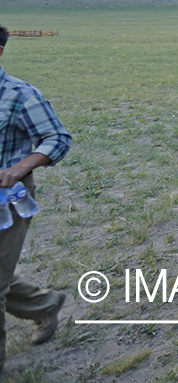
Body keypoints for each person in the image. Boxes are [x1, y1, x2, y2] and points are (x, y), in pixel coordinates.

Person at [0, 25, 70, 373]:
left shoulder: (20, 95)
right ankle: (44, 305)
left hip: (6, 201)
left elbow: (57, 138)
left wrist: (19, 168)